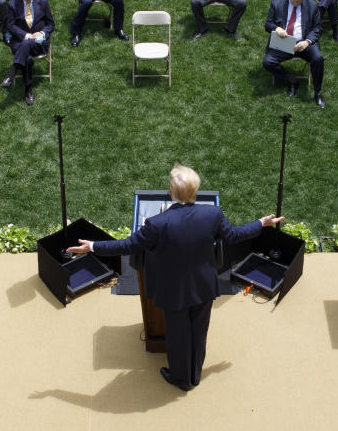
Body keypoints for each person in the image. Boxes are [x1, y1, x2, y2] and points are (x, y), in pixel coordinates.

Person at [65, 165, 283, 391]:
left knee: (178, 337)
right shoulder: (212, 215)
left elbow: (127, 245)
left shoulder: (157, 224)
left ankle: (181, 379)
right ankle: (195, 375)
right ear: (195, 191)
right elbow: (234, 235)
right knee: (199, 333)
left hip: (173, 291)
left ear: (171, 192)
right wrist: (261, 223)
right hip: (203, 287)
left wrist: (92, 246)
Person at [263, 0, 326, 108]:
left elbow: (317, 28)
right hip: (284, 42)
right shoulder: (277, 4)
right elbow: (268, 24)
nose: (298, 0)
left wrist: (307, 42)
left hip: (304, 43)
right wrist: (276, 28)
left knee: (318, 59)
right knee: (268, 62)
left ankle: (318, 92)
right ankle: (292, 80)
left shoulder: (313, 6)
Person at [1, 0, 54, 106]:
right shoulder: (13, 5)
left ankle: (12, 73)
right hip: (20, 41)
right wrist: (26, 35)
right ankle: (28, 89)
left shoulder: (43, 1)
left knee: (27, 45)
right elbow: (10, 26)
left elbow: (50, 24)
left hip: (38, 43)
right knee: (28, 58)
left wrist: (42, 33)